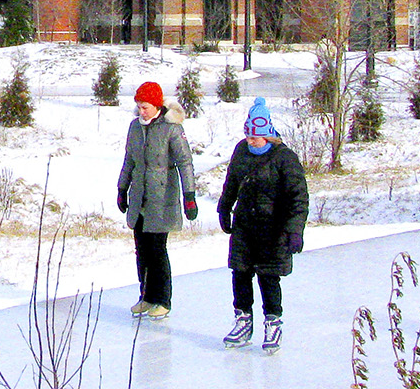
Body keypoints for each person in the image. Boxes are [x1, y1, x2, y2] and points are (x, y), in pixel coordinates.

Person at [217, 96, 309, 353]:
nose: (251, 141)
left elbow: (298, 196)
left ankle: (273, 322)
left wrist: (294, 230)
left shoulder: (284, 158)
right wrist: (224, 207)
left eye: (256, 137)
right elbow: (232, 183)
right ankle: (243, 321)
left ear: (268, 134)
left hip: (273, 230)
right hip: (245, 227)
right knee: (241, 274)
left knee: (269, 278)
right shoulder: (241, 152)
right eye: (248, 136)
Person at [116, 80, 197, 320]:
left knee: (157, 250)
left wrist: (189, 195)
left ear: (157, 105)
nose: (142, 111)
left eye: (146, 107)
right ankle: (147, 296)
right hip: (139, 196)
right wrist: (122, 188)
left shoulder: (171, 128)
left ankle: (163, 300)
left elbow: (185, 161)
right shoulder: (135, 128)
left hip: (162, 197)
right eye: (139, 106)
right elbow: (129, 159)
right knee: (141, 249)